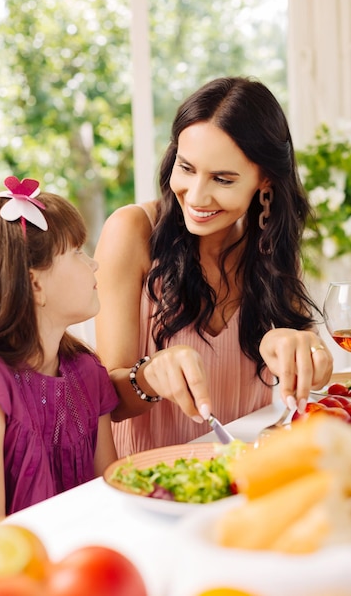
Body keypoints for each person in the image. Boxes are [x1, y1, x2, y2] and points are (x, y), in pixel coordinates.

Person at [94, 76, 333, 457]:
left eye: (223, 179)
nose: (197, 195)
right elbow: (107, 401)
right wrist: (151, 375)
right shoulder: (132, 232)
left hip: (237, 480)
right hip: (144, 483)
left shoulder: (272, 246)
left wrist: (304, 352)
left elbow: (312, 375)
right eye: (186, 168)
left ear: (265, 179)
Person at [0, 176, 118, 537]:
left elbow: (111, 498)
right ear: (35, 284)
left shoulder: (86, 371)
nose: (93, 265)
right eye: (78, 251)